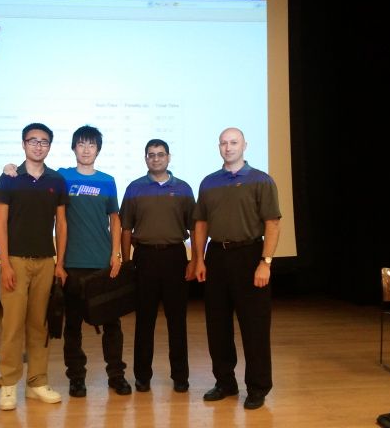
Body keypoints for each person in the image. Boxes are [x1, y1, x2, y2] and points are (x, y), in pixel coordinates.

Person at [3, 125, 132, 398]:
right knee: (72, 326)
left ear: (98, 150)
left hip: (102, 264)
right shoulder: (62, 177)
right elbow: (36, 172)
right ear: (74, 148)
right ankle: (76, 378)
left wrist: (116, 254)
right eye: (81, 144)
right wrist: (10, 167)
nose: (86, 150)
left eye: (91, 145)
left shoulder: (108, 181)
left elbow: (115, 220)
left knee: (112, 325)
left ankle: (116, 376)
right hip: (71, 264)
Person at [193, 127, 281, 410]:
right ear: (218, 147)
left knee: (254, 327)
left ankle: (257, 387)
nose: (228, 147)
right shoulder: (208, 183)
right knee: (217, 325)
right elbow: (201, 224)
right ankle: (225, 382)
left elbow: (272, 223)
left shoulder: (261, 180)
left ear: (245, 146)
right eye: (223, 143)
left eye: (234, 142)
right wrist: (199, 259)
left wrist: (265, 262)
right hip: (217, 256)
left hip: (250, 255)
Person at [0, 122, 68, 411]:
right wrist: (4, 264)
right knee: (12, 326)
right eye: (33, 140)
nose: (38, 145)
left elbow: (61, 224)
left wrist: (60, 263)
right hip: (15, 261)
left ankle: (37, 383)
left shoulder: (56, 180)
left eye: (44, 141)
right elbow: (1, 223)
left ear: (49, 146)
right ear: (23, 144)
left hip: (46, 262)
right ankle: (9, 384)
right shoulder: (9, 178)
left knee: (40, 326)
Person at [119, 139, 196, 393]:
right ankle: (142, 377)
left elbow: (195, 227)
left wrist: (196, 260)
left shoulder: (183, 188)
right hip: (145, 258)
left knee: (177, 321)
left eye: (160, 154)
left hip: (175, 257)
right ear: (145, 158)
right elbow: (126, 228)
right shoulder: (134, 188)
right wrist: (127, 262)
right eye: (151, 155)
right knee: (144, 321)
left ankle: (181, 377)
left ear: (168, 157)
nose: (156, 158)